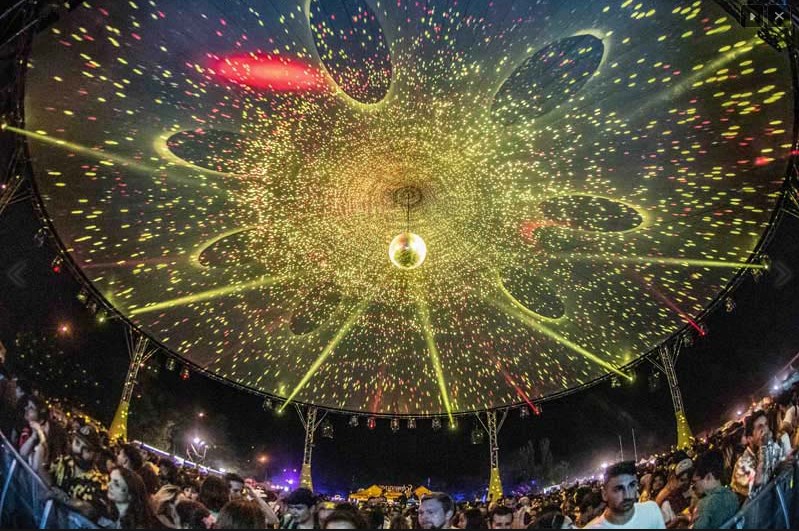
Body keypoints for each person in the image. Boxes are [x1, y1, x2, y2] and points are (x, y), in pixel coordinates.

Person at [45, 424, 109, 520]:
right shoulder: (64, 462)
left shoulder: (99, 482)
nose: (79, 451)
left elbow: (91, 510)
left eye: (87, 449)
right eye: (77, 443)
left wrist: (64, 499)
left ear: (96, 455)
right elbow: (45, 472)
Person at [585, 461, 665, 529]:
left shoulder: (651, 510)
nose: (627, 495)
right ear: (604, 494)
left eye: (632, 485)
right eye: (619, 489)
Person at [732, 410, 785, 499]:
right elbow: (759, 481)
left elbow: (780, 465)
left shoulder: (772, 447)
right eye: (760, 427)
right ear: (750, 438)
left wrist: (785, 462)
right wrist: (763, 447)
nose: (765, 429)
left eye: (766, 424)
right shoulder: (741, 465)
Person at [690, 450, 740, 529]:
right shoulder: (733, 496)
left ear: (708, 477)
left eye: (695, 482)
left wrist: (691, 523)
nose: (694, 486)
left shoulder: (704, 504)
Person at [655, 459, 693, 528]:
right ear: (673, 479)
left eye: (689, 479)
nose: (686, 483)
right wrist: (677, 520)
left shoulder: (690, 493)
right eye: (682, 480)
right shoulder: (666, 501)